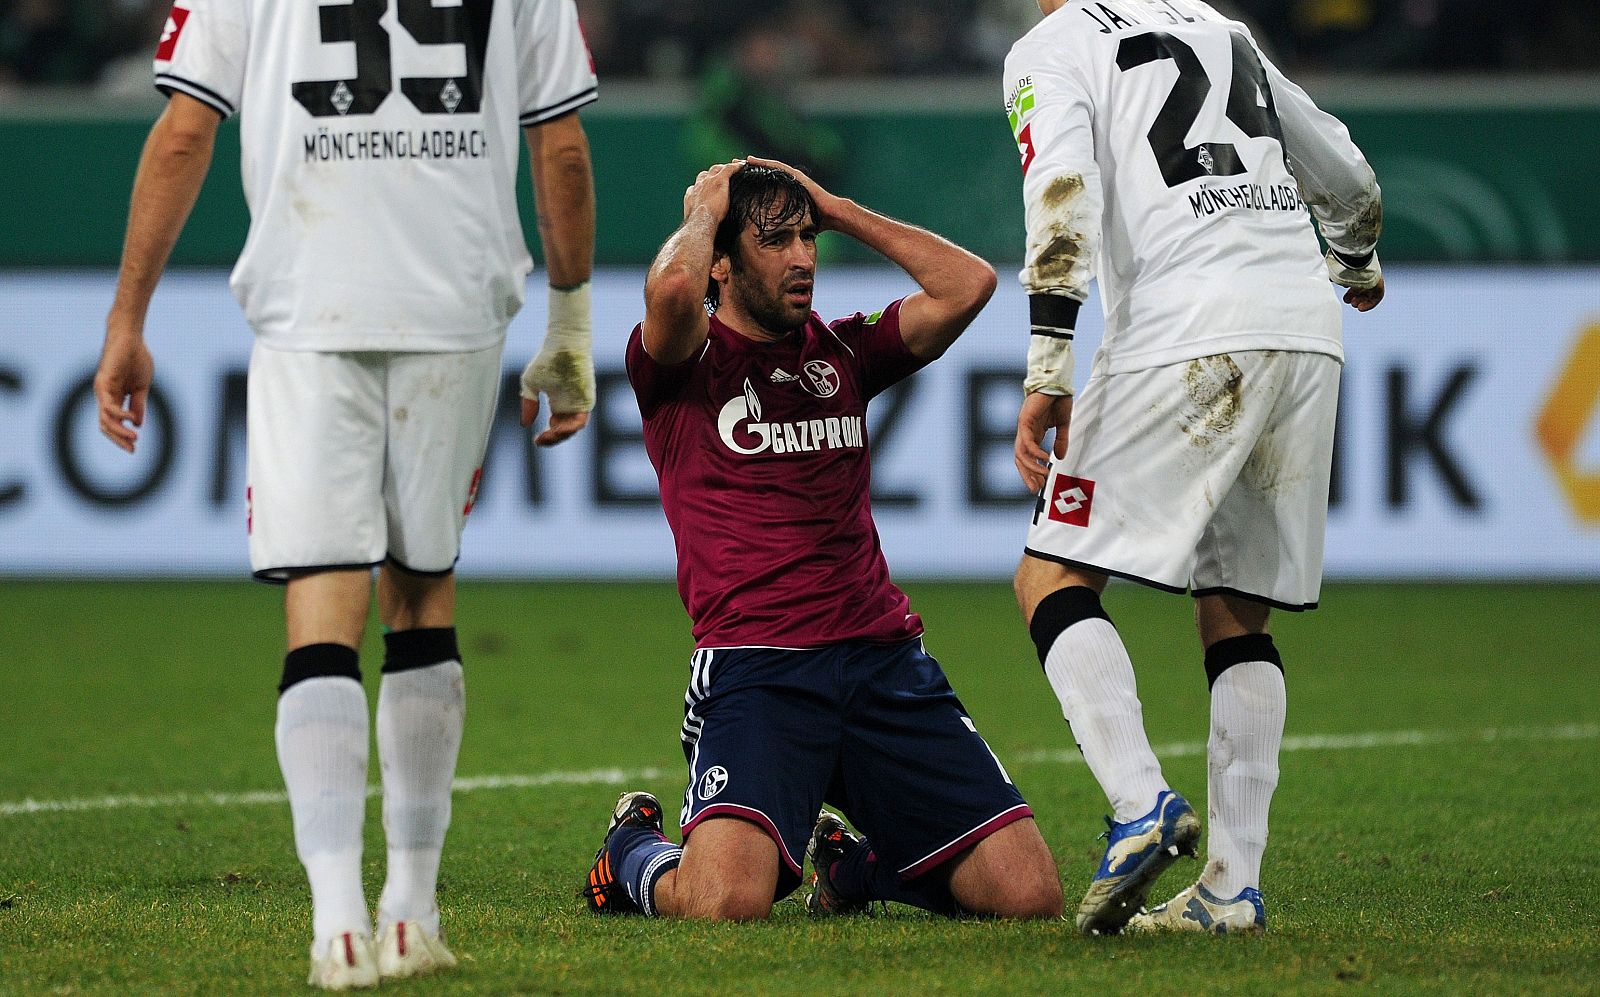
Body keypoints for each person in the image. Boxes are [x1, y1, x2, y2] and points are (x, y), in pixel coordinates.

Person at [93, 0, 597, 986]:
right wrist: (571, 325)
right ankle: (410, 908)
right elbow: (562, 148)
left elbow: (185, 128)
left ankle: (335, 927)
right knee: (422, 586)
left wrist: (127, 316)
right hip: (454, 296)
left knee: (324, 592)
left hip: (309, 300)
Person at [582, 159, 1062, 922]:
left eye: (807, 238)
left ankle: (856, 868)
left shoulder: (842, 353)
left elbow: (967, 284)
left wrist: (838, 210)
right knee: (727, 903)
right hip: (758, 668)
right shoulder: (682, 367)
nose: (803, 256)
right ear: (724, 262)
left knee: (1028, 896)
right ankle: (629, 854)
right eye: (774, 240)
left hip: (883, 662)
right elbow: (674, 292)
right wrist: (706, 211)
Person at [1003, 0, 1384, 936]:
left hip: (1186, 326)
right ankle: (1230, 890)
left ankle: (1139, 805)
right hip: (1303, 323)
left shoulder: (1049, 45)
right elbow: (1341, 164)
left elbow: (1061, 190)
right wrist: (1358, 256)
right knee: (1236, 604)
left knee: (1050, 572)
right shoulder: (1220, 24)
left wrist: (1049, 365)